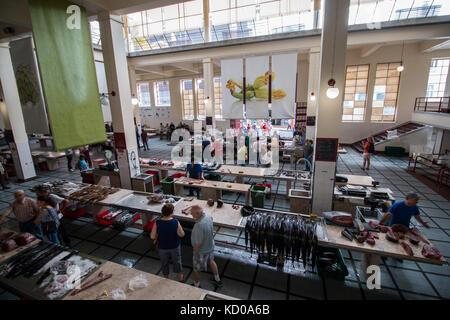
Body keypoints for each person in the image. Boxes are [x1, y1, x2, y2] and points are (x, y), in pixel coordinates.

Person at [150, 203, 185, 282]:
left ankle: (166, 279)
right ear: (172, 212)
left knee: (164, 263)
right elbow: (181, 234)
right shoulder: (175, 221)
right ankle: (180, 278)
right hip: (174, 246)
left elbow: (152, 236)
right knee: (177, 262)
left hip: (162, 247)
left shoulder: (157, 222)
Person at [190, 205, 222, 288]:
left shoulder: (199, 226)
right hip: (210, 246)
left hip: (202, 251)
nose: (191, 214)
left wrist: (195, 253)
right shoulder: (208, 216)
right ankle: (217, 279)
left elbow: (198, 244)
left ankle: (196, 284)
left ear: (198, 213)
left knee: (196, 268)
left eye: (192, 213)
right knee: (211, 261)